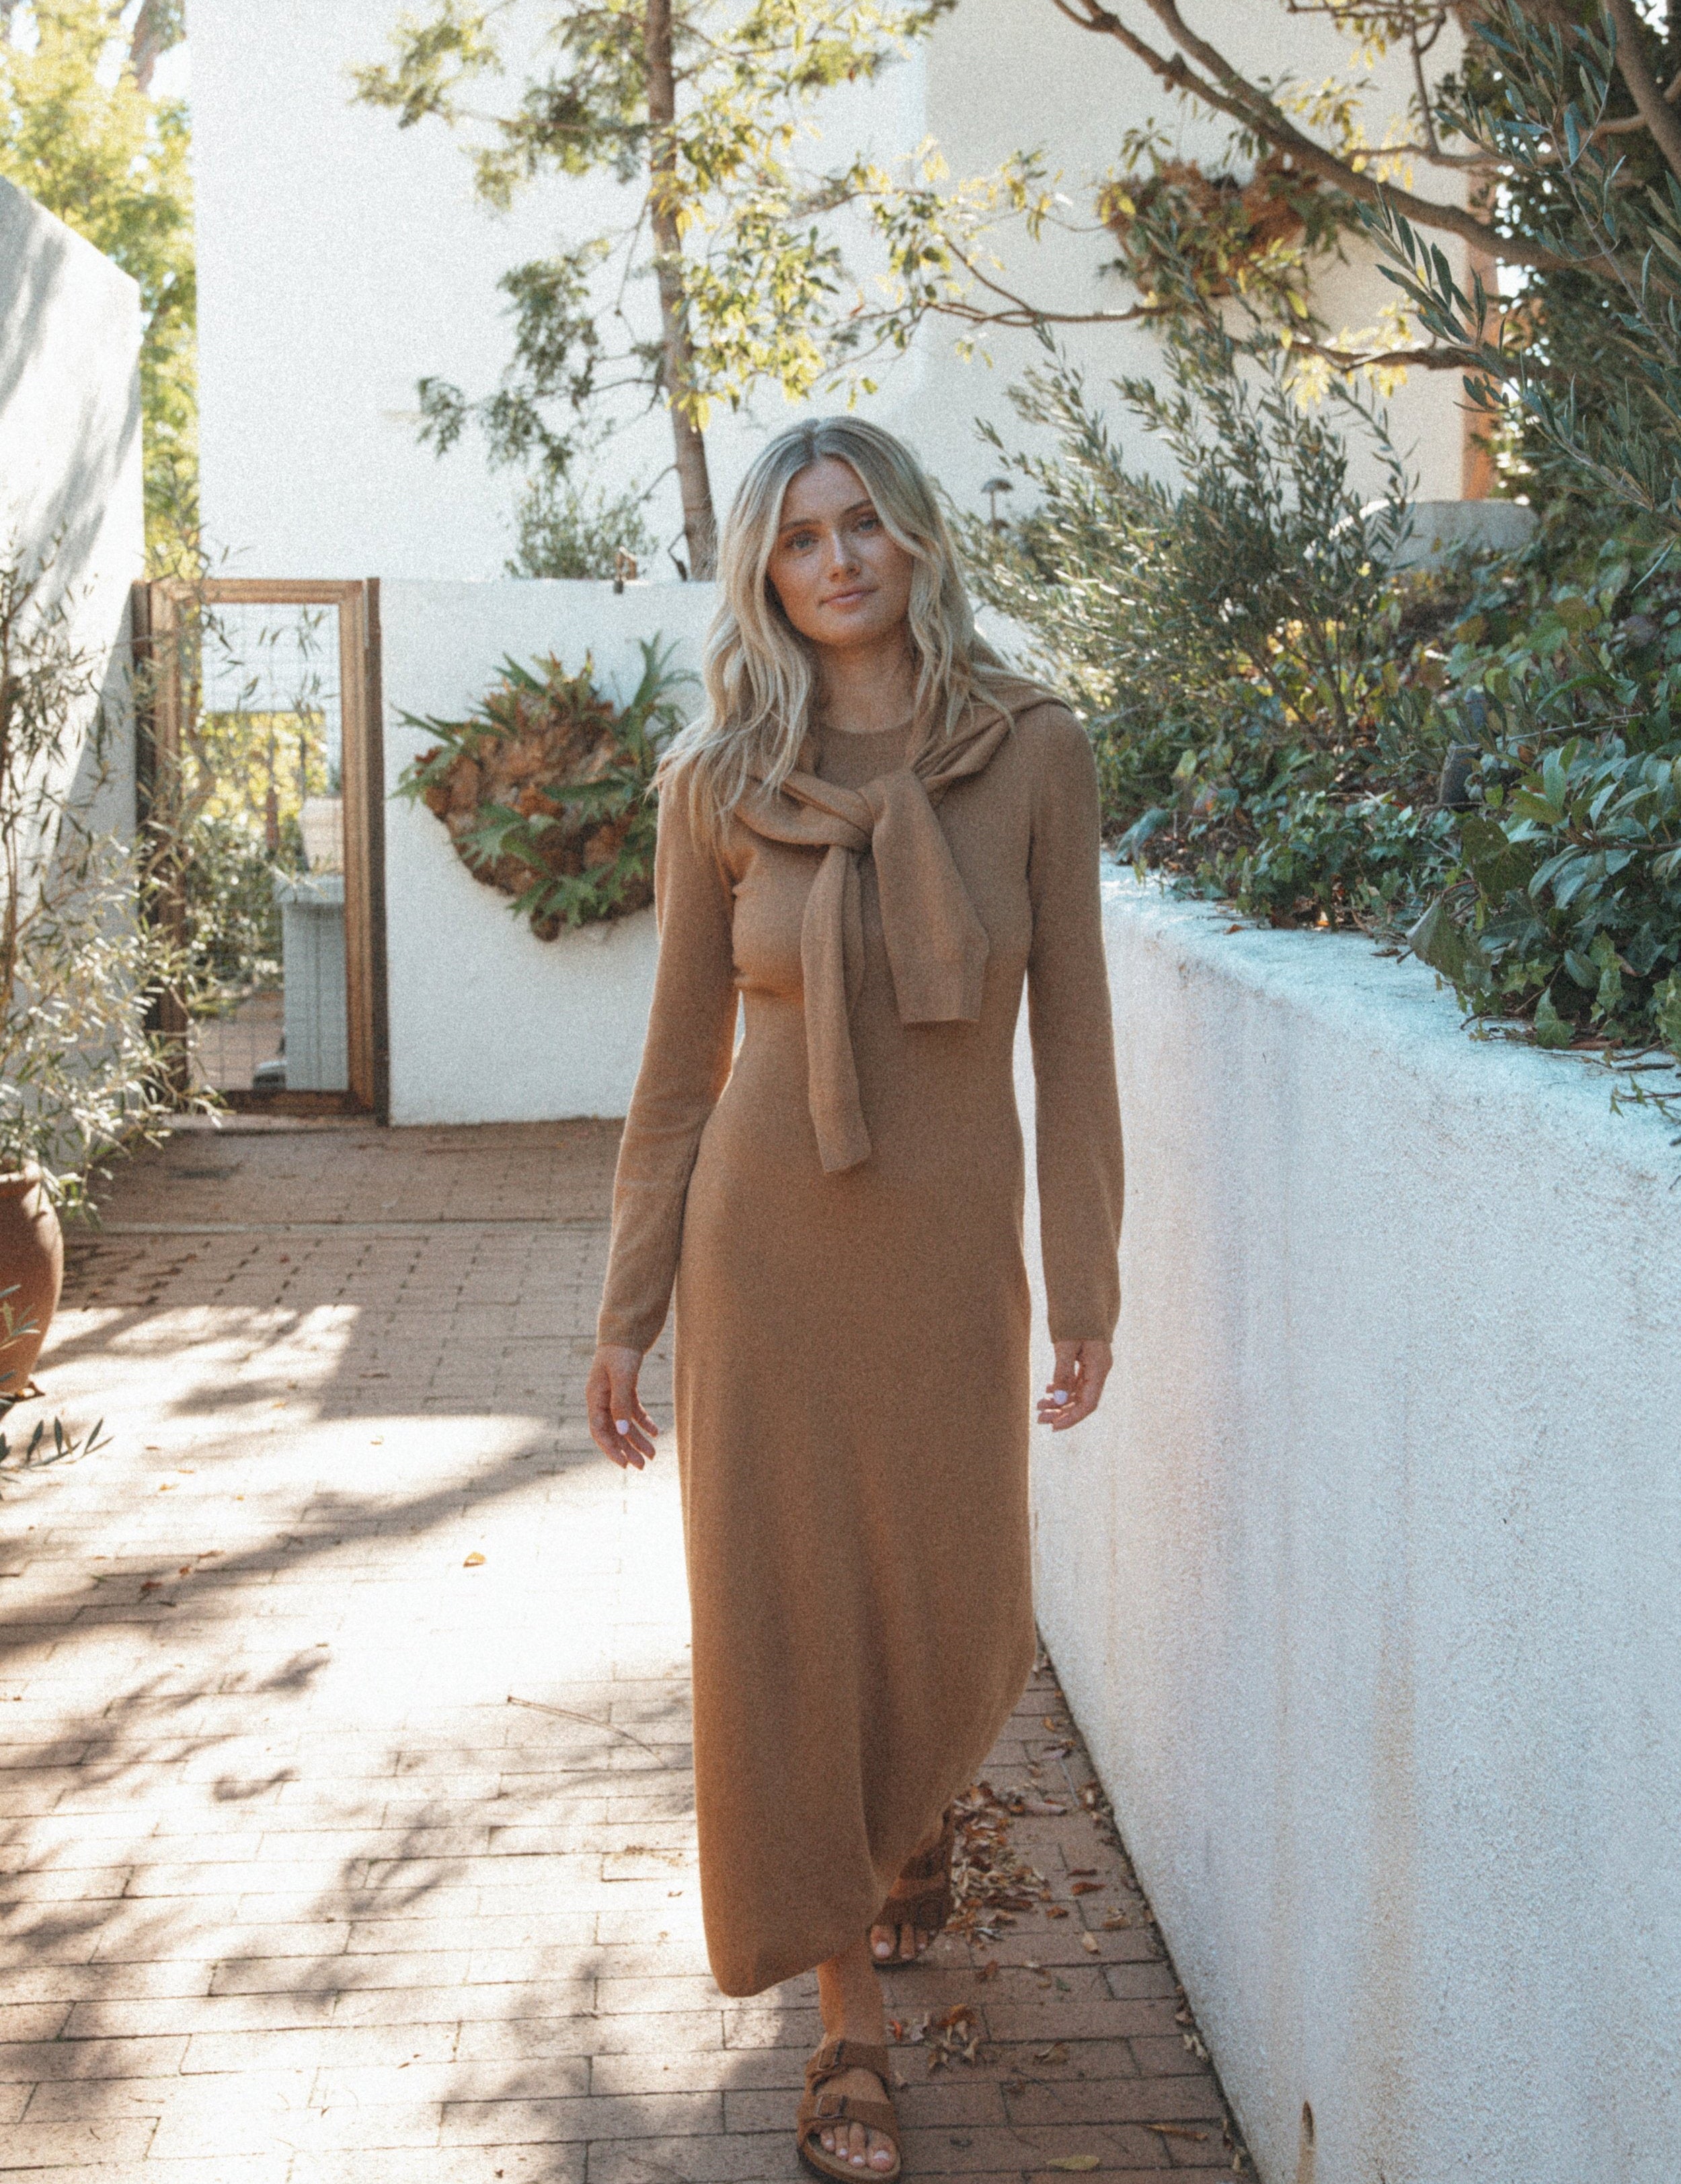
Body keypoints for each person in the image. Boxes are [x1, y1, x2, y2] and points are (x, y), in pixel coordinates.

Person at [587, 417, 1124, 2181]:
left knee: (958, 1601)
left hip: (948, 1253)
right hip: (765, 1253)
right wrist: (627, 1308)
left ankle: (909, 1819)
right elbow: (676, 1068)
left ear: (914, 541)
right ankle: (845, 2022)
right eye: (802, 536)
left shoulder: (1032, 751)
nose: (837, 559)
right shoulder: (719, 784)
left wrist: (1085, 1277)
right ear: (765, 571)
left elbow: (1075, 1041)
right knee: (788, 1617)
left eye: (863, 525)